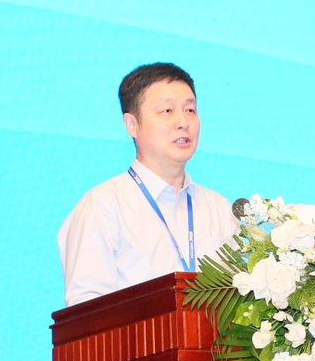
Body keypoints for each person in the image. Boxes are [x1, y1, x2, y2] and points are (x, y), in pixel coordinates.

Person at [57, 62, 238, 306]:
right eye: (167, 111)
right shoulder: (103, 206)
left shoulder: (218, 208)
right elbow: (87, 312)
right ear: (132, 125)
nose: (183, 122)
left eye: (190, 110)